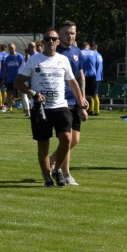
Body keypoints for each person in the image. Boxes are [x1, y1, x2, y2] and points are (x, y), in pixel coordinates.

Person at [15, 27, 87, 188]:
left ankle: (58, 170)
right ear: (43, 41)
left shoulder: (63, 59)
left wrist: (81, 101)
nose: (51, 42)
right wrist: (33, 93)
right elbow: (19, 83)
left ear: (58, 42)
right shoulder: (34, 59)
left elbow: (73, 82)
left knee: (67, 139)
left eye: (54, 39)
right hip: (41, 109)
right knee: (43, 144)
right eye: (47, 39)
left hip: (61, 106)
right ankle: (47, 177)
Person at [52, 20, 88, 185]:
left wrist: (83, 98)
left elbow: (81, 76)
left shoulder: (77, 51)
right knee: (67, 139)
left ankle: (52, 159)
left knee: (75, 140)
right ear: (60, 34)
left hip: (75, 100)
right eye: (66, 33)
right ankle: (66, 174)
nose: (70, 36)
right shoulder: (54, 51)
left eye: (72, 33)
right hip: (61, 101)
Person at [2, 43, 25, 113]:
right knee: (9, 93)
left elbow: (23, 66)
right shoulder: (7, 58)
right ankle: (10, 108)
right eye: (10, 48)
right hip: (10, 79)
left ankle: (25, 108)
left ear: (15, 48)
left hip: (18, 79)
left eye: (12, 48)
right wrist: (3, 78)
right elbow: (6, 69)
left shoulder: (19, 56)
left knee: (22, 94)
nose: (11, 49)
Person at [79, 41, 100, 116]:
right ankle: (96, 111)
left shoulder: (80, 52)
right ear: (89, 47)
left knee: (84, 93)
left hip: (83, 75)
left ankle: (86, 109)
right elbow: (98, 64)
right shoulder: (94, 53)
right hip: (93, 75)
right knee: (94, 94)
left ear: (83, 47)